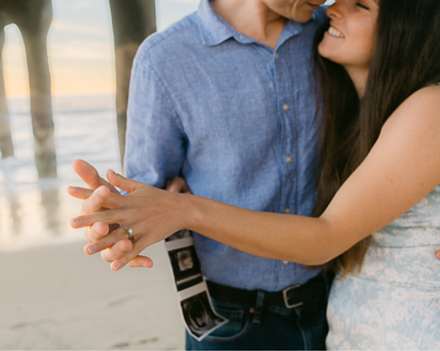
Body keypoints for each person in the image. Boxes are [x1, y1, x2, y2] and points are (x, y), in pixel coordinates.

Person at [69, 0, 440, 348]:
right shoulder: (165, 59)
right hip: (229, 315)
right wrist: (113, 222)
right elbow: (145, 201)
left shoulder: (325, 34)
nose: (330, 2)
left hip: (326, 301)